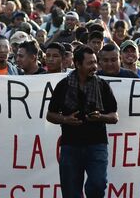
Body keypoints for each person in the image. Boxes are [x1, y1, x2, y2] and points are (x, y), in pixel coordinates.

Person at [46, 46, 119, 198]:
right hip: (70, 146)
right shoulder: (63, 86)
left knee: (98, 184)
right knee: (71, 191)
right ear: (78, 64)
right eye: (90, 63)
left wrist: (101, 117)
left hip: (97, 145)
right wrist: (66, 119)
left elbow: (114, 116)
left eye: (95, 62)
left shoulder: (102, 86)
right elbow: (50, 115)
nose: (94, 66)